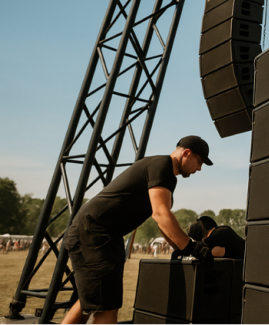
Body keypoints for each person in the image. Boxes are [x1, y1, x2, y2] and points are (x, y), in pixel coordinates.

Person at [62, 136, 214, 324]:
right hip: (94, 233)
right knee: (107, 306)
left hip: (105, 235)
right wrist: (192, 247)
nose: (199, 168)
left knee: (93, 301)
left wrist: (181, 250)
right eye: (199, 162)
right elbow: (160, 214)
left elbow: (161, 222)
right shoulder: (162, 166)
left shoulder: (165, 175)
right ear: (186, 153)